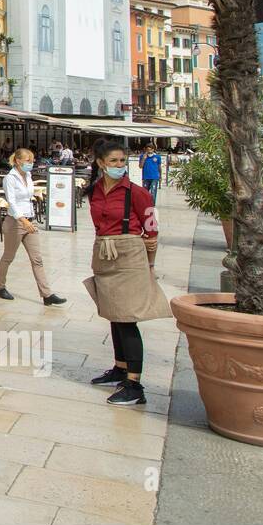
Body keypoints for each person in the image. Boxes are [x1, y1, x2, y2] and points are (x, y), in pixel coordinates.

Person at [84, 139, 169, 406]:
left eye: (122, 161)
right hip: (104, 252)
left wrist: (151, 260)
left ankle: (134, 384)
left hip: (129, 254)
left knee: (127, 317)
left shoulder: (137, 192)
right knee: (112, 312)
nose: (120, 166)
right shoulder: (95, 190)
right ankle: (120, 368)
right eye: (114, 162)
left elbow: (151, 226)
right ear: (101, 163)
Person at [0, 149, 67, 307]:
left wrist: (30, 219)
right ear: (18, 161)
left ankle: (47, 294)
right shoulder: (9, 178)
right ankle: (0, 286)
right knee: (8, 256)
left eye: (32, 160)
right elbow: (11, 201)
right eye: (28, 161)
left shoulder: (28, 175)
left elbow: (28, 198)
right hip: (15, 222)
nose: (31, 163)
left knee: (37, 259)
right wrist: (23, 220)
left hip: (30, 219)